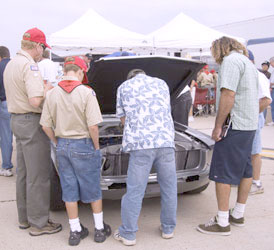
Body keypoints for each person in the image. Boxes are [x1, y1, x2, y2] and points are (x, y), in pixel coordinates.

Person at [40, 56, 111, 246]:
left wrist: (57, 142)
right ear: (80, 72)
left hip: (63, 145)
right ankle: (98, 229)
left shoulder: (52, 93)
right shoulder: (87, 93)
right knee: (93, 188)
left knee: (69, 189)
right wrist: (96, 148)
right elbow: (93, 126)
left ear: (64, 71)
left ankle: (75, 231)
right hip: (84, 144)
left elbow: (46, 126)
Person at [197, 37, 259, 236]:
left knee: (222, 172)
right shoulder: (247, 63)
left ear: (219, 49)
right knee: (245, 170)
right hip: (249, 124)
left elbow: (228, 95)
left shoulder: (230, 62)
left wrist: (217, 126)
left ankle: (222, 222)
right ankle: (238, 213)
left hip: (234, 124)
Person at [3, 27, 62, 236]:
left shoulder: (12, 64)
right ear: (37, 45)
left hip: (17, 120)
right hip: (31, 120)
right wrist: (48, 92)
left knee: (24, 173)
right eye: (43, 47)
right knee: (38, 175)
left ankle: (25, 219)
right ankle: (39, 223)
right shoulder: (30, 66)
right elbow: (35, 100)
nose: (43, 51)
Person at [113, 69, 177, 246]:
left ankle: (128, 234)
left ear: (130, 77)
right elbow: (165, 111)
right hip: (165, 142)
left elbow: (123, 119)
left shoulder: (124, 87)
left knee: (135, 190)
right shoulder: (162, 83)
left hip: (141, 144)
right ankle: (168, 229)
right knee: (169, 187)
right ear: (144, 74)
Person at [0, 46, 13, 177]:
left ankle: (6, 166)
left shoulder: (0, 66)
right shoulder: (15, 66)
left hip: (4, 103)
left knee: (5, 137)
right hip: (17, 103)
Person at [267, 56, 274, 126]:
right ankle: (273, 120)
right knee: (272, 105)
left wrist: (271, 83)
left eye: (271, 62)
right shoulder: (273, 71)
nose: (270, 64)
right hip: (272, 89)